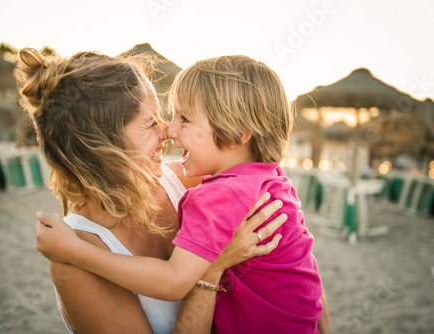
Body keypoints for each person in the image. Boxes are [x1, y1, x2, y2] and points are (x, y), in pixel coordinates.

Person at [35, 55, 330, 333]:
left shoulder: (207, 184)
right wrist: (212, 270)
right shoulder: (72, 256)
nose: (168, 132)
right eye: (151, 122)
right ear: (102, 144)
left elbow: (301, 265)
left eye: (180, 118)